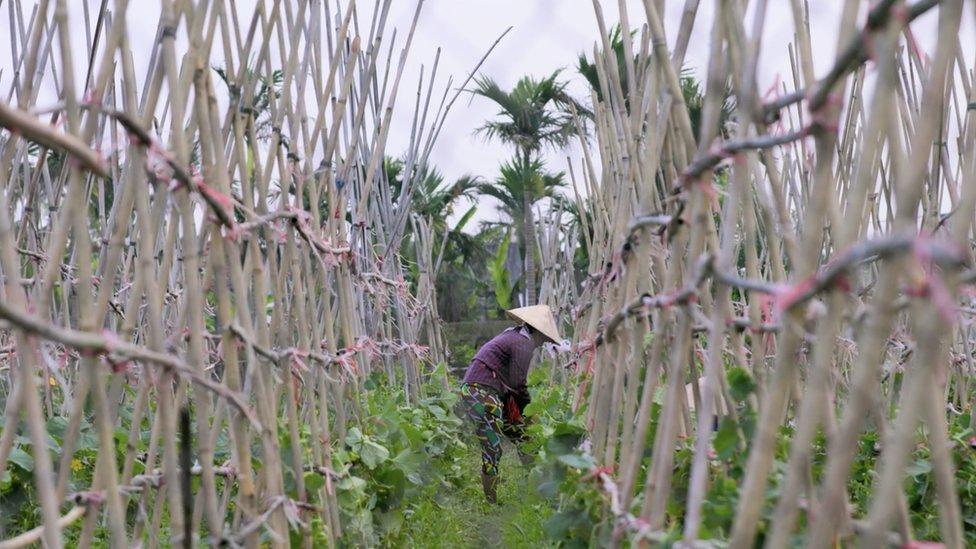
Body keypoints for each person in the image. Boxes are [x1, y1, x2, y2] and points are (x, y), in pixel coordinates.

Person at [458, 305, 561, 503]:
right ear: (538, 332)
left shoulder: (516, 336)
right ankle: (491, 503)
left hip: (491, 391)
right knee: (492, 444)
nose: (543, 343)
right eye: (544, 339)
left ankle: (540, 490)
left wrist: (524, 417)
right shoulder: (522, 342)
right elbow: (518, 384)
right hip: (479, 391)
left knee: (522, 435)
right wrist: (530, 412)